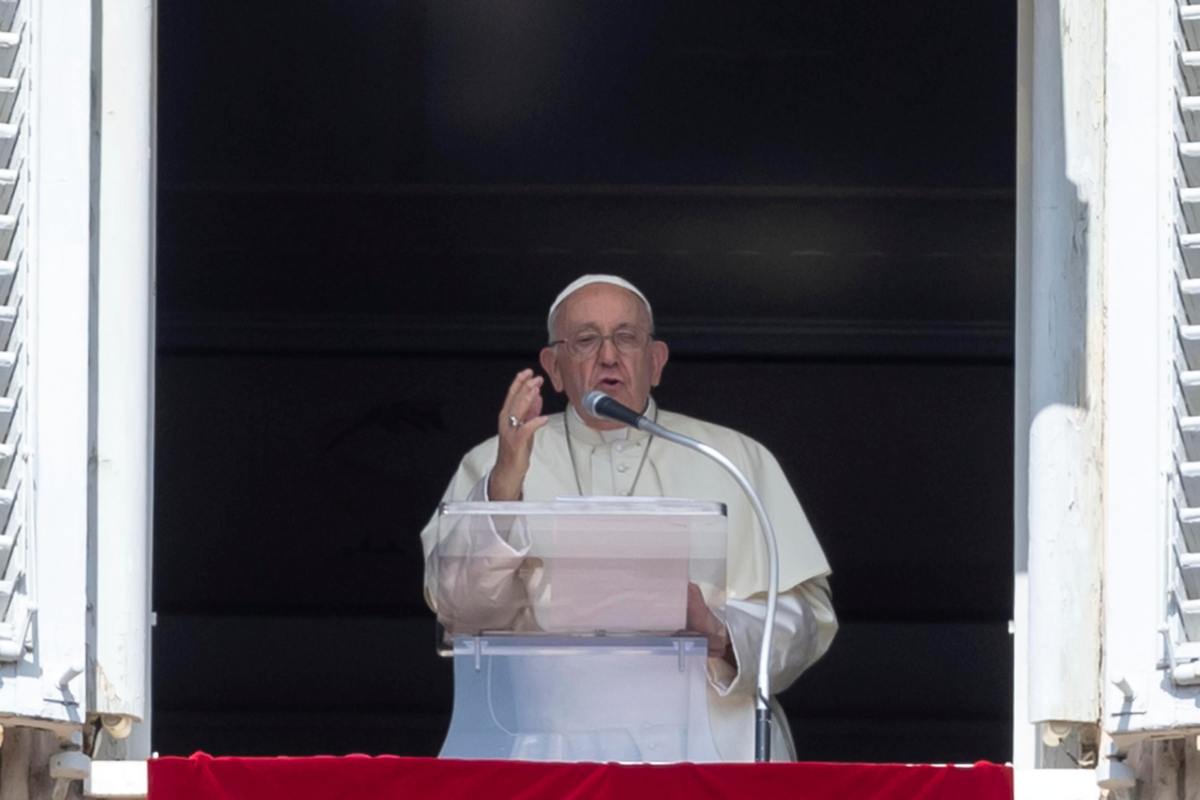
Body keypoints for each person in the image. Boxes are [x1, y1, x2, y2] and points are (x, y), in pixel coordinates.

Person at [420, 274, 836, 761]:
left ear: (655, 361)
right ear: (553, 368)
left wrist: (718, 628)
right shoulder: (493, 463)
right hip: (553, 755)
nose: (609, 356)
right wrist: (506, 484)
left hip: (713, 753)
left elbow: (809, 617)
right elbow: (460, 610)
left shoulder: (734, 458)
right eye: (585, 340)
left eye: (626, 337)